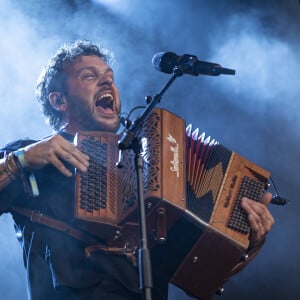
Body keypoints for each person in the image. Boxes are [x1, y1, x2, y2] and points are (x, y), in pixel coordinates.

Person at [0, 40, 275, 300]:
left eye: (110, 76)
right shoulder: (30, 156)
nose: (108, 81)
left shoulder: (147, 172)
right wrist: (17, 161)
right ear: (59, 101)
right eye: (89, 76)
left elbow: (205, 274)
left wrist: (250, 242)